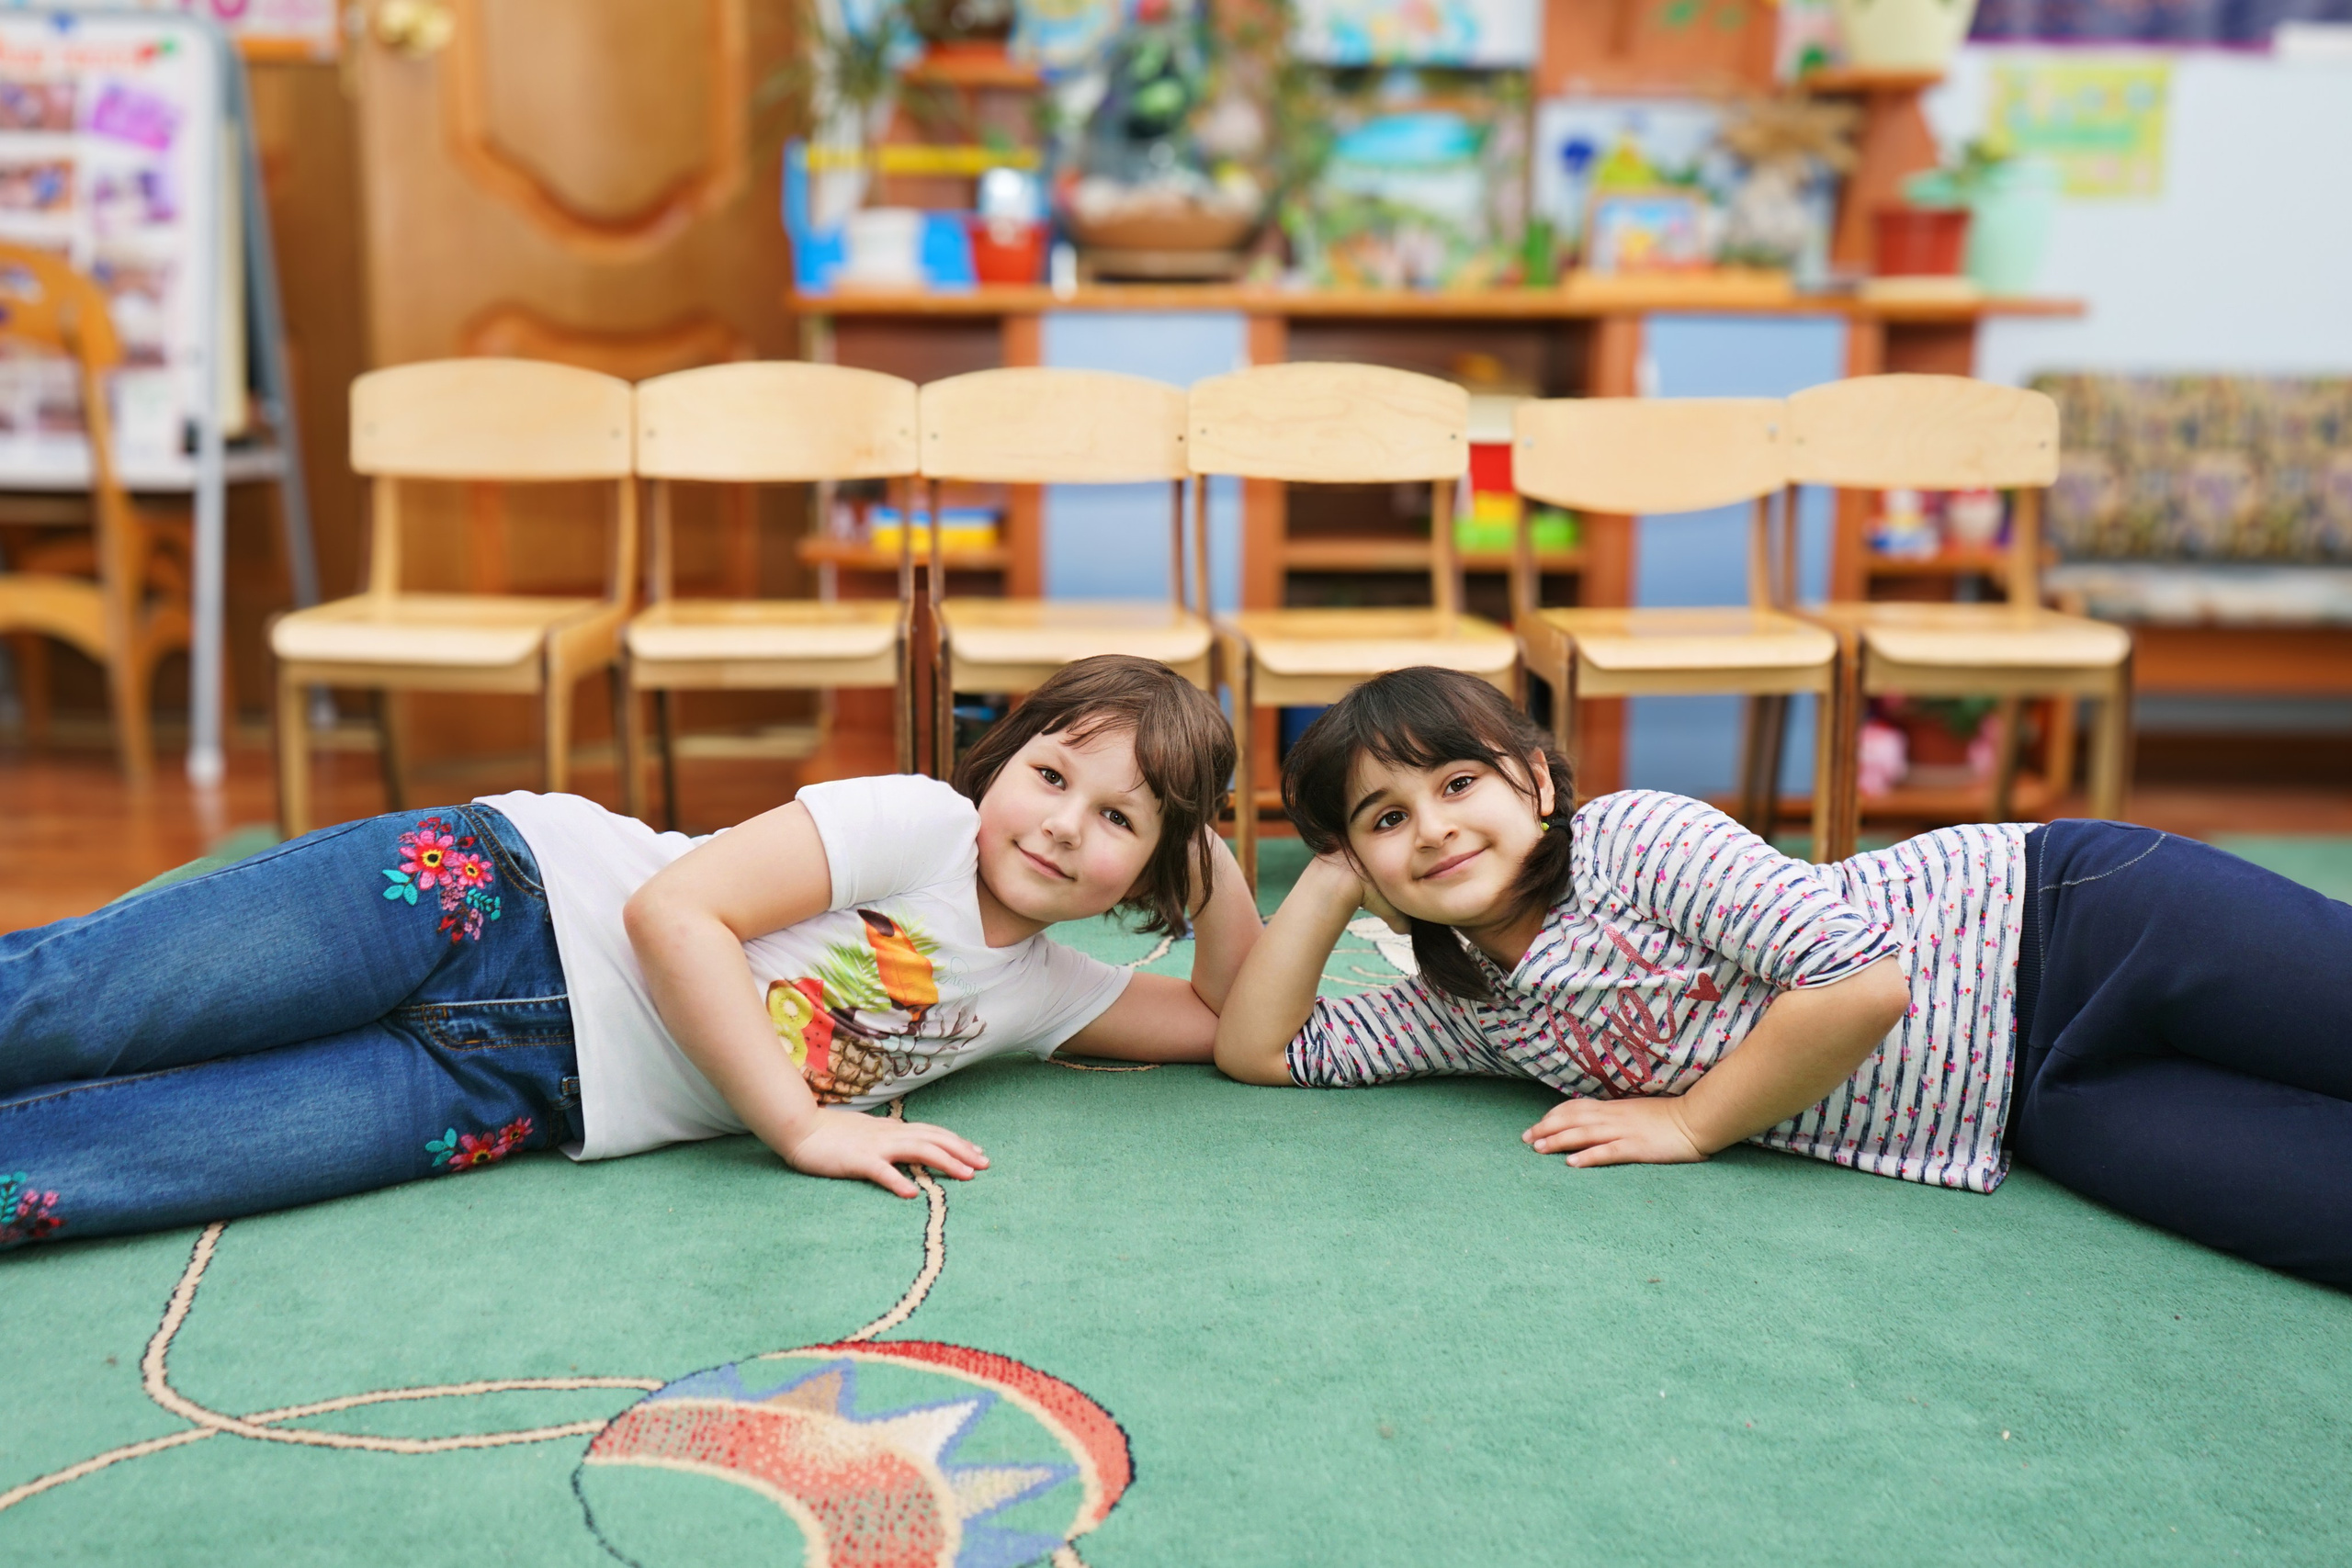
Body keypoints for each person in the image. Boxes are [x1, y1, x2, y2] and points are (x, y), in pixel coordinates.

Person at [0, 655, 1256, 1247]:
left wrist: (1210, 861)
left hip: (512, 1090)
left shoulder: (1043, 993)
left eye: (1117, 819)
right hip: (491, 901)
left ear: (1148, 866)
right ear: (1005, 759)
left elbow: (1224, 1022)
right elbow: (674, 914)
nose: (1060, 822)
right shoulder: (922, 822)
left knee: (102, 1170)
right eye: (1052, 773)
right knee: (77, 1003)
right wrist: (805, 1123)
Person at [1215, 665, 2352, 1290]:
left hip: (2080, 924)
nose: (1432, 829)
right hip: (2040, 1101)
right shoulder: (1475, 1009)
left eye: (1459, 784)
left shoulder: (1634, 838)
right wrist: (1324, 882)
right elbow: (1264, 1054)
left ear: (1535, 784)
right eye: (1386, 819)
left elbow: (1861, 983)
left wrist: (1694, 1124)